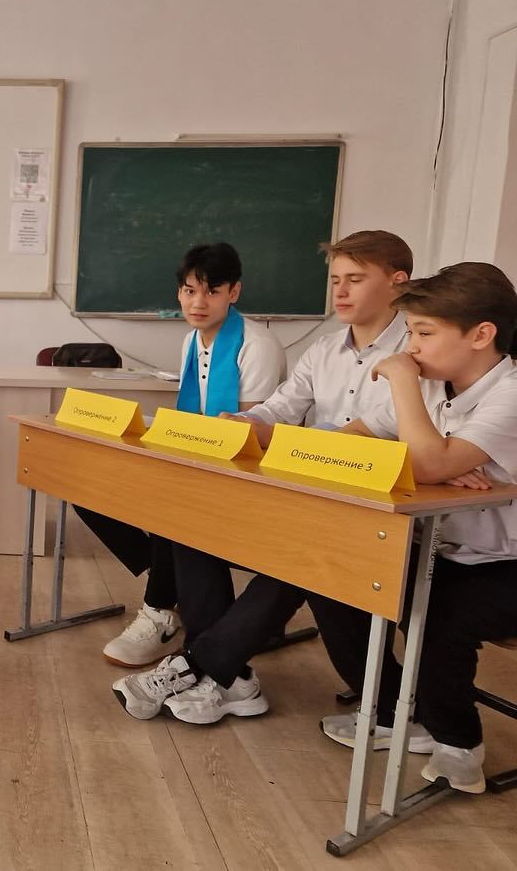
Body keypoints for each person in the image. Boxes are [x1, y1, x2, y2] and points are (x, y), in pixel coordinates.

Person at [112, 230, 428, 725]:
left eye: (355, 279)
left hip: (378, 510)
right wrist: (243, 422)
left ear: (398, 281)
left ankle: (203, 668)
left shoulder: (420, 350)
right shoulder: (324, 349)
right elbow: (281, 406)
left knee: (300, 556)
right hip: (311, 492)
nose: (340, 291)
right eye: (335, 280)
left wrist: (278, 435)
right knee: (190, 523)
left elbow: (372, 433)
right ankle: (228, 677)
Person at [315, 262, 517, 794]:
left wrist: (408, 398)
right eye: (408, 333)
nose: (409, 348)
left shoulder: (510, 393)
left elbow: (428, 463)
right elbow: (352, 441)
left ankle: (460, 745)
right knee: (334, 576)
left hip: (505, 565)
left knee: (441, 615)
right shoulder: (432, 383)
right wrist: (429, 460)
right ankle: (393, 711)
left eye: (423, 333)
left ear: (481, 335)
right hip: (441, 551)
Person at [75, 242, 285, 667]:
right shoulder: (191, 339)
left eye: (211, 292)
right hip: (198, 457)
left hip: (244, 472)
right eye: (190, 291)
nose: (198, 303)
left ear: (234, 292)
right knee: (88, 489)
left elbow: (250, 433)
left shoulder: (257, 345)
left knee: (169, 507)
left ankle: (160, 612)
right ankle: (169, 582)